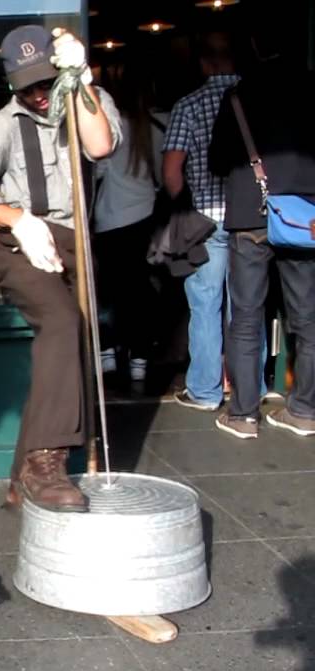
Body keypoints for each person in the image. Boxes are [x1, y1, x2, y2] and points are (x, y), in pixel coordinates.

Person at [0, 25, 120, 511]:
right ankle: (48, 460)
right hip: (22, 246)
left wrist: (81, 80)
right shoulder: (3, 124)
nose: (38, 94)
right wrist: (19, 219)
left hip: (77, 245)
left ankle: (19, 479)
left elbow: (100, 147)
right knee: (62, 323)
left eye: (46, 81)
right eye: (27, 85)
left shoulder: (82, 100)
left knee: (72, 349)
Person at [208, 32, 315, 439]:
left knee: (247, 318)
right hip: (304, 216)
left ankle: (243, 415)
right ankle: (304, 410)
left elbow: (219, 159)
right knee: (307, 318)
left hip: (251, 213)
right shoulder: (311, 89)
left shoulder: (238, 97)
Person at [162, 32, 240, 412]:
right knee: (245, 309)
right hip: (250, 219)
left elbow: (172, 169)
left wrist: (184, 210)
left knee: (205, 306)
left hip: (206, 219)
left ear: (204, 63)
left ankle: (206, 392)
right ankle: (248, 391)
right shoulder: (255, 100)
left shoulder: (189, 105)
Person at [92, 67, 165, 387]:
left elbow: (97, 173)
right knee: (141, 294)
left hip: (109, 219)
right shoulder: (155, 128)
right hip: (145, 218)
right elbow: (163, 178)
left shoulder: (109, 130)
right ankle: (140, 360)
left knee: (108, 292)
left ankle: (107, 355)